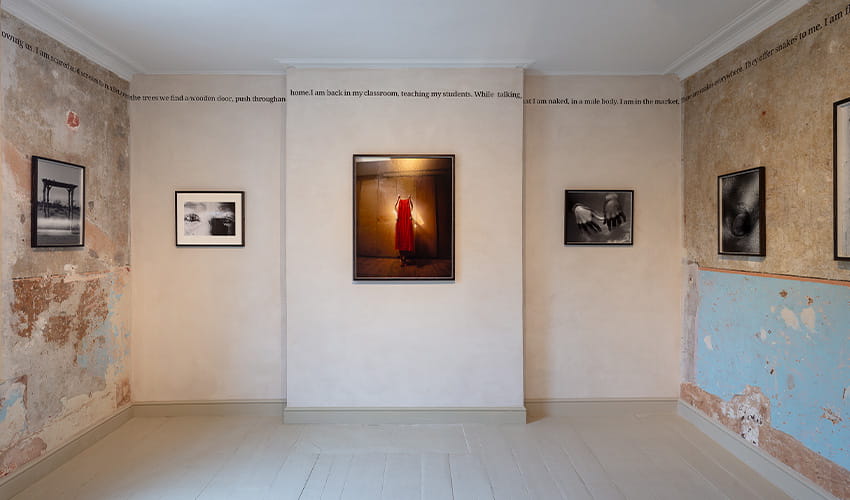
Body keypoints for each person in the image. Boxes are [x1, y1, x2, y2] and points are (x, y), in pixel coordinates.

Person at [394, 195, 415, 266]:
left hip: (406, 225)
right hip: (400, 225)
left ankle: (404, 259)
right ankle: (402, 259)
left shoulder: (409, 209)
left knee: (406, 242)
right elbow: (395, 207)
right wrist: (397, 199)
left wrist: (410, 200)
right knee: (400, 242)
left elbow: (412, 207)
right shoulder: (398, 211)